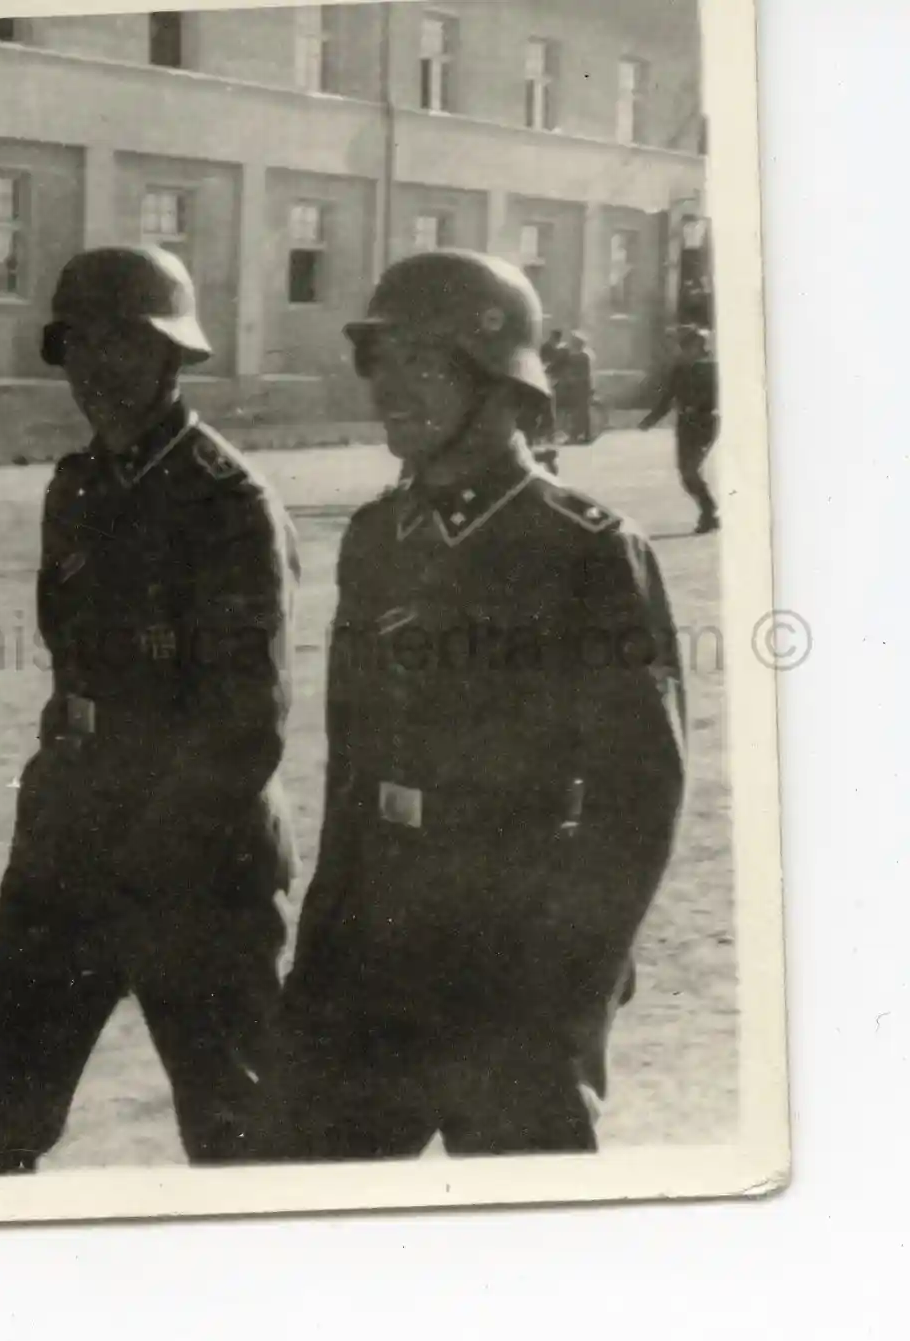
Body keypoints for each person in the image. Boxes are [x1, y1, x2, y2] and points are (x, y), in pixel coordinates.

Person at [272, 249, 686, 1159]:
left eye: (422, 363)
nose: (388, 388)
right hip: (368, 951)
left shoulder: (585, 550)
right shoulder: (377, 538)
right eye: (380, 362)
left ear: (502, 384)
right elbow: (352, 768)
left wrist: (569, 997)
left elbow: (638, 801)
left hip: (512, 959)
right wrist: (320, 954)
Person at [0, 246, 300, 1175]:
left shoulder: (229, 503)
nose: (97, 369)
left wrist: (147, 852)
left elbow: (246, 721)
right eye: (80, 345)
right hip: (73, 839)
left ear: (174, 355)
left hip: (198, 859)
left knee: (240, 1141)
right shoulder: (78, 486)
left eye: (125, 345)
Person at [641, 325, 721, 534]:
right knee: (686, 476)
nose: (682, 349)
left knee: (691, 470)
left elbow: (719, 396)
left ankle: (709, 513)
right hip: (685, 424)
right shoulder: (680, 368)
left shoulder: (712, 368)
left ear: (699, 345)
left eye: (687, 345)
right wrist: (650, 420)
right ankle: (709, 510)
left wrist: (701, 407)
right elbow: (668, 397)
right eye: (682, 346)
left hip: (705, 422)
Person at [561, 331, 597, 445]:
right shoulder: (584, 355)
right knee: (581, 412)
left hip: (580, 386)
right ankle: (583, 434)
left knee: (579, 412)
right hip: (581, 386)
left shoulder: (581, 356)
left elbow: (584, 373)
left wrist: (571, 379)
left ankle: (578, 435)